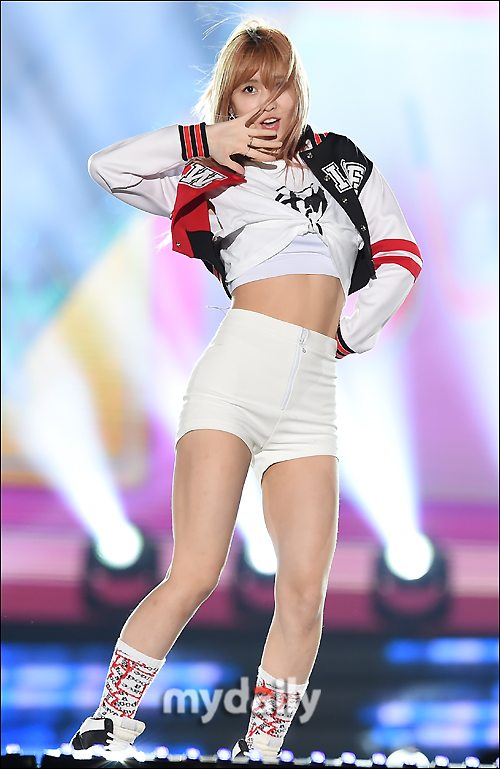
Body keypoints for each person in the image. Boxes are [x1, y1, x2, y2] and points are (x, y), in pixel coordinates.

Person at [72, 18, 422, 757]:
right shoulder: (211, 173)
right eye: (249, 89)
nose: (267, 103)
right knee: (197, 568)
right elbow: (107, 167)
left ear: (299, 91)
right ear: (229, 99)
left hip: (312, 397)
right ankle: (110, 719)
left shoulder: (343, 166)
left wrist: (349, 332)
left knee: (304, 590)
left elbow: (400, 257)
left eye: (279, 85)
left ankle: (260, 748)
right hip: (234, 379)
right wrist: (204, 140)